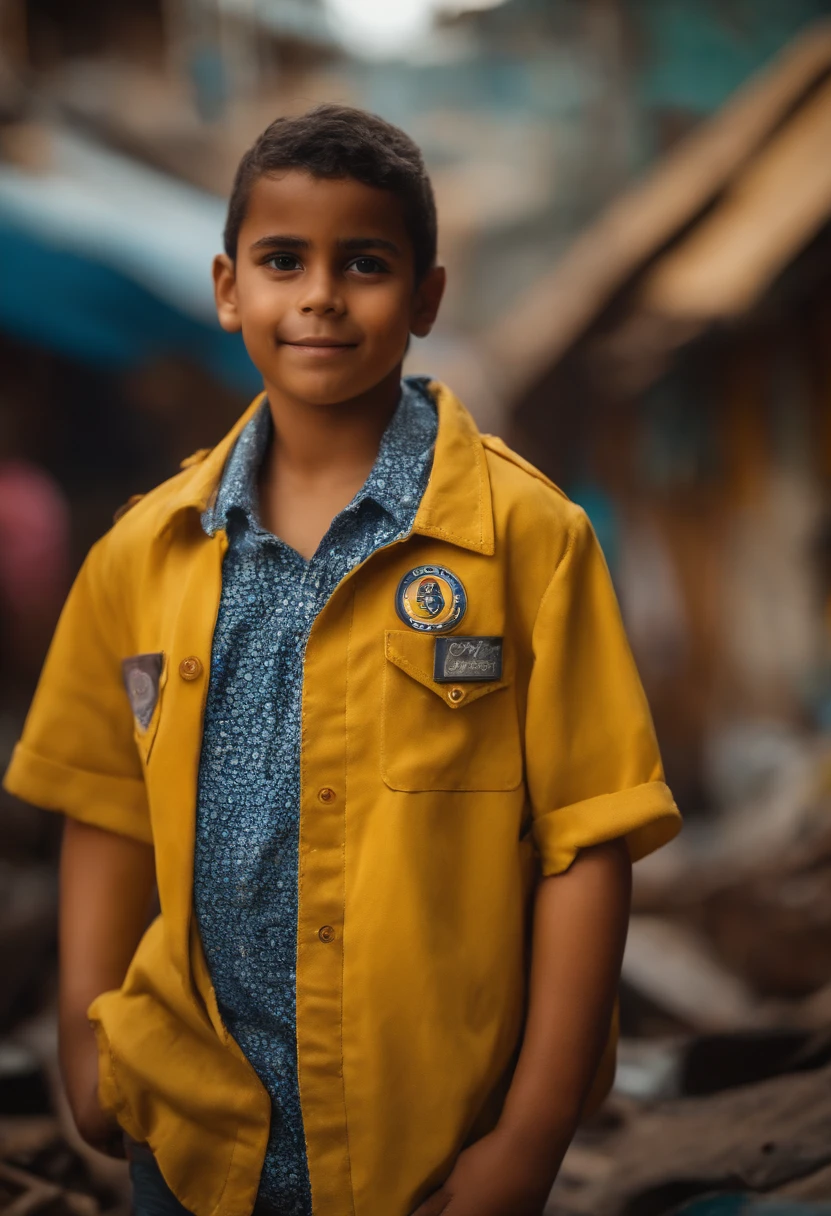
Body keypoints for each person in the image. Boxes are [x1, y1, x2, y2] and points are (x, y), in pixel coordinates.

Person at [3, 105, 681, 1216]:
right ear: (230, 288)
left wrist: (531, 1132)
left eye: (363, 263)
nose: (319, 293)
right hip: (188, 1134)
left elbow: (587, 843)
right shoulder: (142, 551)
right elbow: (104, 799)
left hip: (434, 1143)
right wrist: (88, 1038)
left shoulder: (528, 541)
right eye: (282, 260)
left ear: (424, 298)